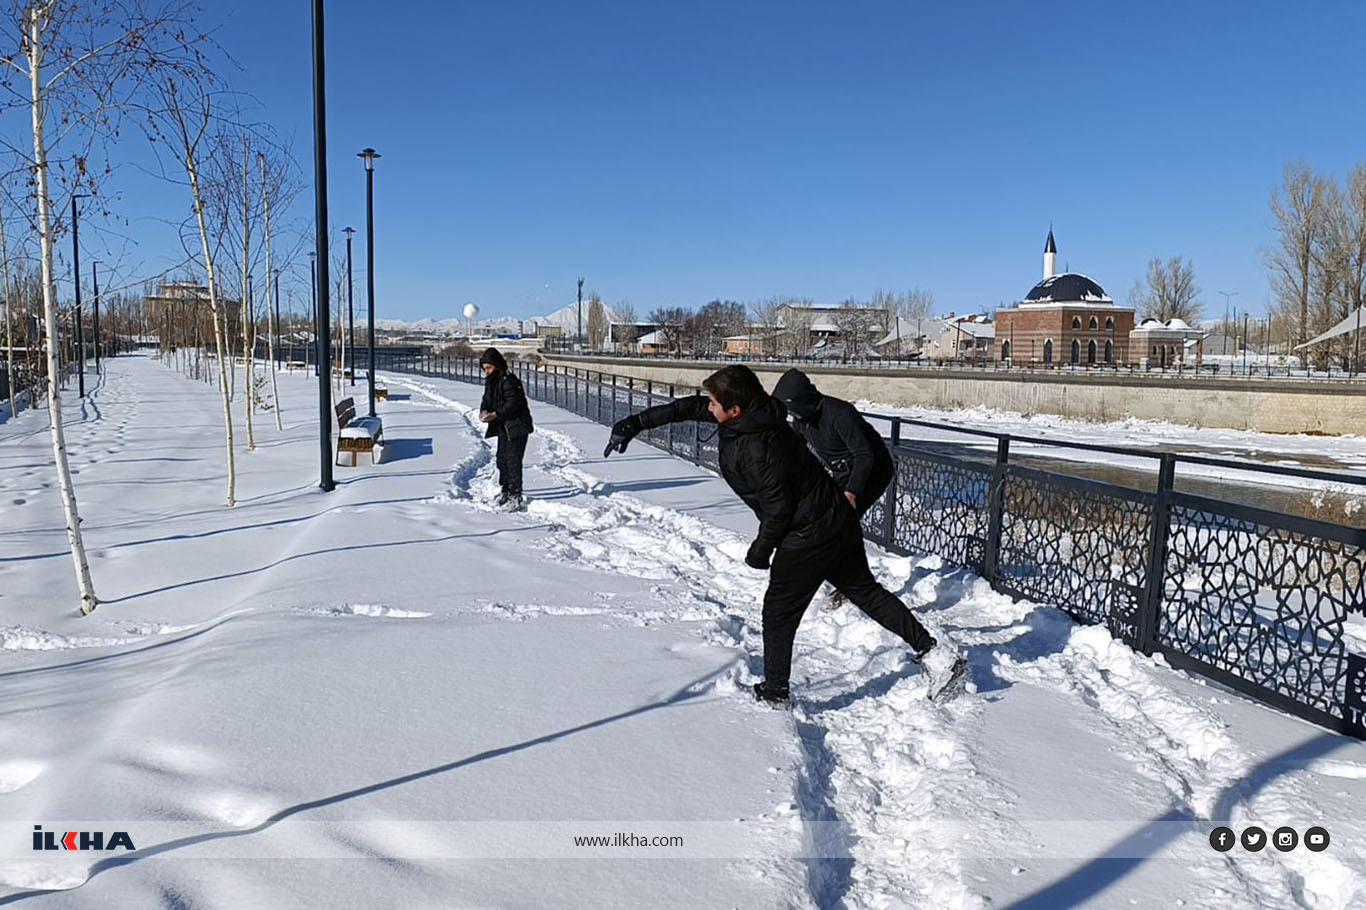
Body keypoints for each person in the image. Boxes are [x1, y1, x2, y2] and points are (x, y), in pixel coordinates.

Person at [604, 364, 963, 705]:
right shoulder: (753, 413)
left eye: (714, 403)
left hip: (808, 532)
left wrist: (760, 552)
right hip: (835, 516)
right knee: (865, 592)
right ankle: (937, 656)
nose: (707, 407)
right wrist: (635, 423)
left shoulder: (758, 448)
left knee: (778, 613)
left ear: (734, 410)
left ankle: (775, 692)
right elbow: (687, 407)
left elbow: (779, 509)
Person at [771, 368, 894, 519]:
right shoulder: (802, 421)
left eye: (791, 410)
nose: (792, 415)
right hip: (841, 470)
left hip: (872, 469)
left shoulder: (840, 415)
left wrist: (852, 493)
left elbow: (864, 455)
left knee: (840, 519)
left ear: (802, 401)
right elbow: (794, 450)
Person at [478, 347, 534, 510]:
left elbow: (513, 403)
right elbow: (486, 399)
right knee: (502, 460)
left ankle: (515, 494)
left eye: (489, 367)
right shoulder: (491, 381)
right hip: (503, 427)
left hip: (517, 426)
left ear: (497, 365)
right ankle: (506, 490)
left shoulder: (509, 380)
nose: (487, 371)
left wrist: (496, 414)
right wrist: (484, 411)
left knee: (513, 461)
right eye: (484, 368)